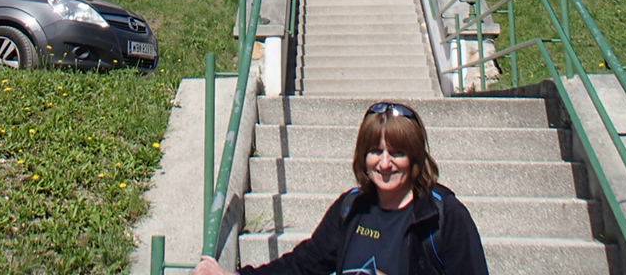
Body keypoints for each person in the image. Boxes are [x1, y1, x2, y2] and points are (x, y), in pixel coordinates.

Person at [192, 101, 488, 275]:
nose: (385, 164)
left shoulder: (442, 216)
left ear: (414, 158)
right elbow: (304, 265)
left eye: (396, 153)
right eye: (375, 151)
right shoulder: (352, 207)